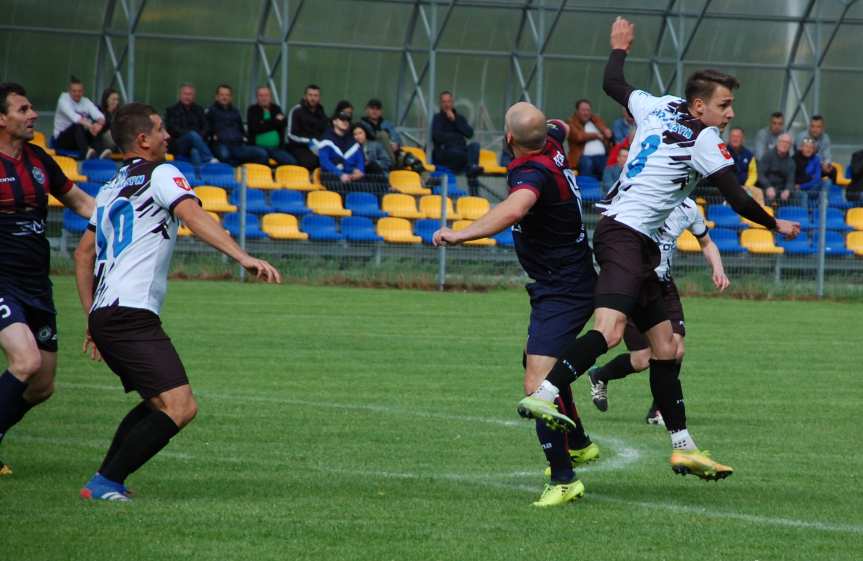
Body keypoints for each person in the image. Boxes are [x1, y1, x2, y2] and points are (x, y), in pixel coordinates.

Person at [516, 17, 799, 484]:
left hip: (638, 239)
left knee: (666, 347)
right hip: (624, 234)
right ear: (699, 105)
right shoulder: (705, 140)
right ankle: (547, 392)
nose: (729, 114)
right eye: (723, 105)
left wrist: (619, 47)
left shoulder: (658, 105)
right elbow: (738, 197)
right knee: (609, 331)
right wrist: (774, 223)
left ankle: (683, 447)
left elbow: (612, 82)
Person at [73, 102, 281, 501]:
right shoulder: (162, 173)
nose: (168, 136)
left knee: (158, 402)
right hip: (130, 313)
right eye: (161, 130)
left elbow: (83, 255)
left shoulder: (111, 186)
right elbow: (194, 216)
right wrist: (243, 257)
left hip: (108, 313)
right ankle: (104, 484)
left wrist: (91, 316)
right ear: (143, 139)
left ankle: (106, 479)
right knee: (180, 406)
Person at [434, 102, 598, 507]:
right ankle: (577, 441)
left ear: (509, 140)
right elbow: (556, 123)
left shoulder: (532, 171)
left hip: (564, 288)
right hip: (565, 279)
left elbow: (516, 207)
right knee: (534, 359)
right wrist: (546, 124)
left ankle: (564, 479)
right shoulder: (554, 143)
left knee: (535, 387)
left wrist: (461, 234)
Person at [0, 83, 95, 475]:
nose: (32, 115)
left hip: (37, 285)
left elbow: (83, 203)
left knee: (42, 385)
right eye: (23, 110)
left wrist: (120, 219)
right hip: (2, 281)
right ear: (2, 119)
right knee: (25, 360)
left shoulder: (39, 160)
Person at [585, 197, 729, 426]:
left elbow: (707, 242)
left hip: (664, 286)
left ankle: (659, 410)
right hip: (633, 284)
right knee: (642, 359)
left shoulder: (689, 208)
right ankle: (600, 375)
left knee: (676, 349)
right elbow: (608, 230)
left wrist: (718, 268)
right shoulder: (640, 196)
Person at [431, 91, 481, 194]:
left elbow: (469, 133)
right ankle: (470, 170)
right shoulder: (437, 119)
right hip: (447, 155)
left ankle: (471, 169)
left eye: (448, 101)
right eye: (444, 102)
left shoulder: (459, 118)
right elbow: (437, 137)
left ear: (452, 102)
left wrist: (455, 121)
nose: (446, 104)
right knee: (458, 154)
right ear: (440, 104)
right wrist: (457, 138)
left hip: (461, 155)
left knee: (475, 146)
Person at [206, 84, 268, 166]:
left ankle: (246, 171)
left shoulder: (235, 111)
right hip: (220, 144)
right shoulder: (211, 111)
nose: (224, 97)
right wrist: (213, 136)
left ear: (231, 97)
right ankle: (237, 167)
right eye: (222, 95)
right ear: (216, 97)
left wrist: (243, 137)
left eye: (227, 95)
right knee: (225, 156)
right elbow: (206, 129)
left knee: (262, 153)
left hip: (238, 145)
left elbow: (241, 128)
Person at [53, 76, 106, 160]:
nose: (77, 94)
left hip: (79, 139)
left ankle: (101, 152)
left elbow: (99, 115)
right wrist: (92, 126)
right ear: (69, 91)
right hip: (62, 139)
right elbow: (75, 118)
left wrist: (99, 125)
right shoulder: (63, 100)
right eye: (74, 91)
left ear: (83, 91)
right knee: (78, 125)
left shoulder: (85, 101)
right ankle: (86, 152)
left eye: (79, 91)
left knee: (96, 127)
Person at [165, 84, 216, 166]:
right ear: (180, 95)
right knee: (192, 135)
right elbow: (172, 129)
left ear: (194, 96)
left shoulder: (199, 110)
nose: (187, 97)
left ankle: (201, 176)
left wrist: (197, 138)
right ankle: (209, 158)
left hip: (197, 143)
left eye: (190, 94)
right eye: (185, 94)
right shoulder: (171, 110)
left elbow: (206, 127)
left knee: (195, 151)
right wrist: (191, 136)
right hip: (179, 144)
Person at [246, 86, 296, 166]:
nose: (264, 98)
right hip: (258, 147)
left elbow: (284, 123)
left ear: (270, 97)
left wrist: (263, 123)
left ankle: (279, 177)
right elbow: (255, 128)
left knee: (291, 162)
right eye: (261, 95)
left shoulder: (276, 108)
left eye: (266, 95)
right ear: (257, 97)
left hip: (276, 148)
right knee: (263, 155)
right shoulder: (252, 110)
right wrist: (275, 121)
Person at [566, 99, 612, 179]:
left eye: (588, 110)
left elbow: (606, 133)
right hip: (582, 157)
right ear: (577, 111)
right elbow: (578, 136)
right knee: (587, 163)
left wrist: (606, 131)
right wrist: (596, 135)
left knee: (609, 166)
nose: (586, 113)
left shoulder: (596, 121)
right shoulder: (571, 122)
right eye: (583, 110)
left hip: (601, 157)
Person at [286, 84, 327, 170]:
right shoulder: (296, 110)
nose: (313, 98)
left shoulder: (321, 112)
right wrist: (309, 141)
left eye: (316, 96)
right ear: (305, 96)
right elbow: (290, 135)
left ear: (319, 98)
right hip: (299, 147)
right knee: (311, 162)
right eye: (310, 95)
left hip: (317, 147)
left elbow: (325, 131)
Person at [318, 111, 364, 186]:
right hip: (331, 177)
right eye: (342, 119)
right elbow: (324, 162)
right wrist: (340, 174)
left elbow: (360, 158)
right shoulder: (326, 139)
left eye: (347, 120)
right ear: (334, 122)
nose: (345, 122)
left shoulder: (352, 140)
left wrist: (360, 171)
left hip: (351, 177)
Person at [758, 133, 798, 206]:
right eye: (782, 141)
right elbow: (761, 175)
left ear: (790, 146)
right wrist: (768, 187)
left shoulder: (791, 162)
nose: (784, 144)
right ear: (778, 142)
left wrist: (787, 190)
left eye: (787, 143)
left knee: (795, 196)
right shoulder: (767, 156)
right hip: (766, 188)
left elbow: (790, 180)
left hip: (781, 191)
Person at [794, 136, 835, 208]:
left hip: (809, 188)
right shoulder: (795, 159)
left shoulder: (816, 159)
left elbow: (817, 179)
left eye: (811, 148)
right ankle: (805, 215)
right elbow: (796, 178)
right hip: (799, 190)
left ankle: (823, 203)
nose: (808, 149)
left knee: (827, 181)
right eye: (806, 147)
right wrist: (808, 178)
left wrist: (802, 185)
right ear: (801, 148)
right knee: (802, 194)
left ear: (814, 150)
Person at [361, 98, 402, 165]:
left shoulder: (388, 124)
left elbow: (397, 138)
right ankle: (391, 163)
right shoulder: (361, 125)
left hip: (388, 151)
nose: (375, 111)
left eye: (377, 109)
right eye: (372, 108)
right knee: (382, 135)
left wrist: (396, 144)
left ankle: (391, 162)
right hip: (371, 153)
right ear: (366, 110)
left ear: (381, 111)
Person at [97, 88, 121, 155]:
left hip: (116, 140)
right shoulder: (99, 111)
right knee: (109, 133)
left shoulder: (119, 113)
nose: (116, 102)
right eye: (113, 99)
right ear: (106, 100)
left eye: (117, 99)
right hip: (102, 140)